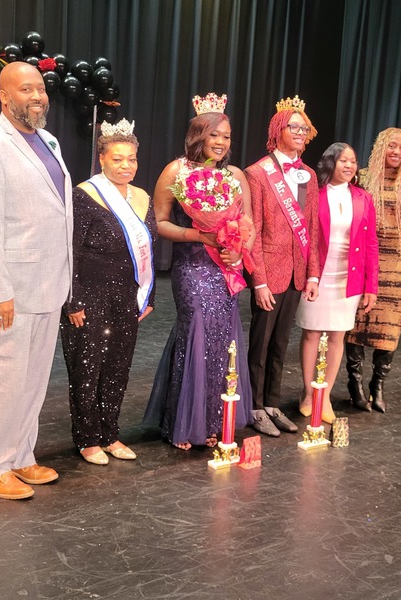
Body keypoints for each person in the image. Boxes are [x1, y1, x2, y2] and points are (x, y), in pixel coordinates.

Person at [0, 61, 73, 500]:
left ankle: (21, 455)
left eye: (41, 88)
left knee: (33, 380)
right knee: (4, 379)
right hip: (12, 288)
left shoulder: (48, 139)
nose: (37, 96)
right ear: (5, 96)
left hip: (48, 284)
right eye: (26, 89)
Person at [144, 93, 255, 450]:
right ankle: (182, 421)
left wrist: (239, 249)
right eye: (214, 135)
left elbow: (248, 221)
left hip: (224, 269)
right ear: (198, 135)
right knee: (196, 333)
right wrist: (200, 233)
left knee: (223, 341)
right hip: (192, 267)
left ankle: (212, 420)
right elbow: (157, 222)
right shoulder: (177, 171)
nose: (221, 142)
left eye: (226, 136)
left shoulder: (235, 176)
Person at [59, 119, 156, 465]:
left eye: (131, 159)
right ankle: (87, 439)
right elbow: (68, 249)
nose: (125, 165)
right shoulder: (84, 196)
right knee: (88, 369)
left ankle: (110, 434)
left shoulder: (142, 198)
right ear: (102, 159)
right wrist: (73, 300)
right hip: (90, 294)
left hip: (126, 296)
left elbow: (149, 246)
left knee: (118, 366)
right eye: (117, 159)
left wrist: (149, 294)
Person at [244, 95, 318, 436]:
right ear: (279, 129)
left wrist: (313, 272)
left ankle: (272, 402)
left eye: (305, 127)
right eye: (295, 127)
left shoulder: (309, 176)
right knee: (260, 344)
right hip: (268, 271)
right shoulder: (258, 174)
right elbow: (253, 232)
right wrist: (257, 280)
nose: (301, 132)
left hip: (297, 272)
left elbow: (313, 228)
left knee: (281, 343)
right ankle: (254, 406)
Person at [345, 127, 401, 413]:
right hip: (364, 261)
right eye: (391, 146)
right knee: (355, 326)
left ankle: (377, 385)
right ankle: (354, 383)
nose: (397, 152)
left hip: (396, 265)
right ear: (381, 147)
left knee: (390, 331)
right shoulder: (364, 178)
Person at [296, 142, 379, 423]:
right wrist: (310, 273)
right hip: (316, 274)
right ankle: (308, 393)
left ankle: (324, 396)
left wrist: (371, 286)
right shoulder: (313, 195)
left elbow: (371, 245)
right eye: (343, 160)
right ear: (330, 163)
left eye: (353, 161)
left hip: (348, 276)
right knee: (311, 333)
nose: (349, 165)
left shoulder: (363, 198)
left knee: (336, 336)